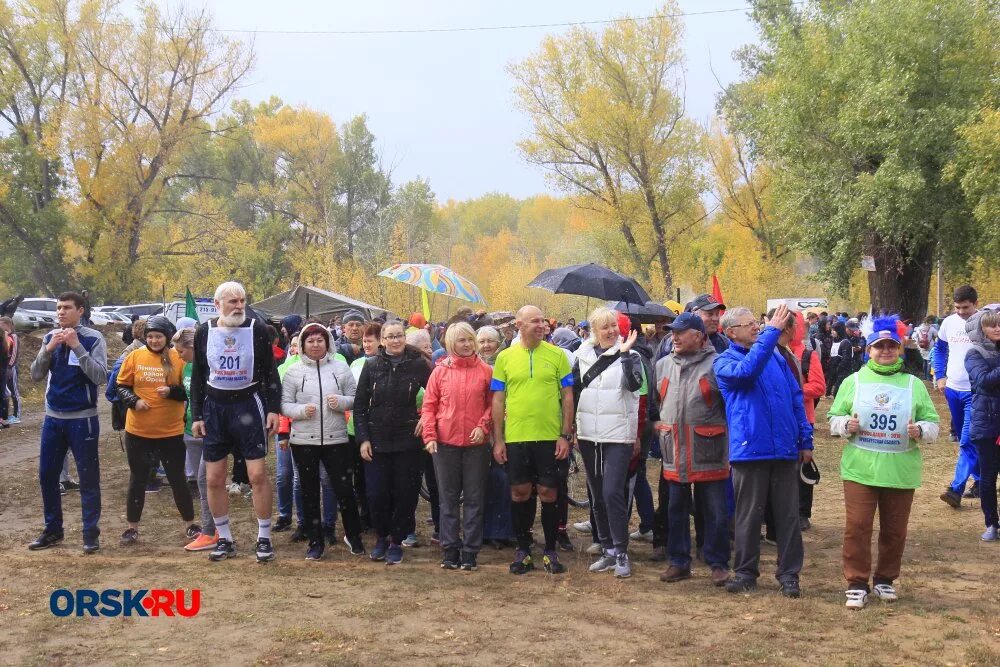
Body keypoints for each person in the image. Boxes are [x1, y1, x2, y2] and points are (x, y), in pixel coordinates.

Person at [828, 315, 940, 608]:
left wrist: (921, 431)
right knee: (858, 526)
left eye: (892, 346)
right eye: (880, 346)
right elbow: (833, 418)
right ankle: (856, 582)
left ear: (900, 349)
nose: (886, 351)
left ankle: (885, 580)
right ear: (869, 349)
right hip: (860, 469)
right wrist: (844, 425)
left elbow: (933, 423)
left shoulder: (914, 384)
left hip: (900, 470)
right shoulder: (853, 381)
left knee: (894, 529)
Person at [715, 304, 813, 597]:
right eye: (748, 325)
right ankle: (745, 573)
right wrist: (771, 334)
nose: (756, 327)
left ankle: (789, 575)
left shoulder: (776, 357)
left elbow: (796, 397)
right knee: (748, 516)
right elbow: (746, 373)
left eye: (756, 323)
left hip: (783, 448)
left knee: (788, 517)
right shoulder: (724, 362)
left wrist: (805, 439)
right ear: (731, 332)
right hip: (750, 450)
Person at [190, 282, 281, 563]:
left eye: (242, 301)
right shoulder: (204, 331)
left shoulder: (257, 330)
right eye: (232, 302)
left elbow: (270, 373)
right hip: (215, 408)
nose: (239, 306)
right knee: (214, 478)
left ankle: (264, 537)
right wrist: (196, 415)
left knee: (256, 476)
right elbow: (197, 377)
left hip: (248, 405)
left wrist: (273, 409)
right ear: (218, 305)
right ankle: (224, 538)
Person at [491, 305, 574, 575]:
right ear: (519, 325)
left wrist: (565, 434)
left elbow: (568, 396)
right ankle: (523, 549)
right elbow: (498, 399)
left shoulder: (558, 355)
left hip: (549, 437)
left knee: (549, 493)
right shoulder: (504, 358)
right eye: (535, 321)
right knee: (520, 492)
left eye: (543, 321)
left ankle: (550, 550)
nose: (542, 325)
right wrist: (498, 439)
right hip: (516, 438)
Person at [28, 292, 108, 553]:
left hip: (82, 419)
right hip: (53, 418)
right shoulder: (50, 337)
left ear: (80, 311)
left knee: (88, 478)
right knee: (47, 476)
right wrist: (48, 350)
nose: (60, 312)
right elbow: (36, 374)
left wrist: (77, 346)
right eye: (58, 308)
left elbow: (99, 377)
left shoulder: (93, 338)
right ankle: (53, 530)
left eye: (66, 308)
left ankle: (90, 534)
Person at [655, 312, 731, 586]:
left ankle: (718, 562)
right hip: (673, 450)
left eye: (680, 332)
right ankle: (679, 562)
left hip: (709, 449)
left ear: (698, 336)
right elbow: (656, 403)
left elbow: (729, 407)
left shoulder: (718, 364)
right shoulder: (662, 365)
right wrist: (657, 426)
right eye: (672, 331)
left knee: (714, 511)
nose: (673, 336)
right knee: (675, 509)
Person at [281, 322, 363, 560]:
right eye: (310, 341)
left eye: (320, 340)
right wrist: (299, 411)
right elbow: (285, 404)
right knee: (309, 491)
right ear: (302, 345)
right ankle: (315, 542)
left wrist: (341, 401)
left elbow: (356, 397)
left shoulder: (340, 367)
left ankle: (353, 535)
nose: (315, 345)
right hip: (303, 441)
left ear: (328, 342)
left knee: (344, 489)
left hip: (336, 438)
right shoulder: (293, 371)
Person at [571, 307, 643, 578]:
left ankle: (622, 551)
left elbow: (634, 385)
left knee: (613, 491)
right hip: (589, 434)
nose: (612, 331)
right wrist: (573, 427)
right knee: (597, 492)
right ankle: (607, 549)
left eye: (614, 326)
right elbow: (576, 391)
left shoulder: (633, 355)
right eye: (605, 327)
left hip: (618, 434)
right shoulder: (580, 356)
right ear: (594, 331)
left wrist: (623, 354)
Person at [354, 320, 433, 565]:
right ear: (383, 341)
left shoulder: (419, 366)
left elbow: (435, 396)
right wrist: (363, 439)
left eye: (399, 336)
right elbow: (359, 407)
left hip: (408, 440)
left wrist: (426, 419)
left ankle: (397, 540)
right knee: (377, 494)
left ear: (405, 338)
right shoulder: (372, 366)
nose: (396, 340)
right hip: (377, 440)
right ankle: (382, 537)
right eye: (390, 337)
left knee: (405, 494)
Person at [115, 316, 197, 545]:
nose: (154, 340)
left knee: (177, 479)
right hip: (138, 431)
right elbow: (121, 386)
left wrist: (171, 392)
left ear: (167, 337)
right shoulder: (135, 356)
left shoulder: (177, 357)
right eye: (150, 336)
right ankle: (132, 528)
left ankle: (190, 525)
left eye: (158, 336)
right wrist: (133, 401)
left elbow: (189, 391)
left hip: (170, 431)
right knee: (138, 479)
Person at [422, 322, 494, 571]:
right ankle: (450, 547)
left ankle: (470, 550)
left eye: (469, 340)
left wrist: (483, 426)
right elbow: (429, 407)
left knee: (475, 498)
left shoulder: (485, 371)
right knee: (448, 498)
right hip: (445, 443)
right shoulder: (439, 372)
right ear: (451, 343)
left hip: (476, 445)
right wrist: (430, 436)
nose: (467, 344)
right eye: (461, 340)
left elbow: (493, 405)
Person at [935, 285, 980, 506]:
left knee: (967, 440)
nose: (961, 311)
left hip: (977, 392)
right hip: (952, 390)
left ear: (975, 304)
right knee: (972, 440)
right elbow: (940, 349)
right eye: (957, 307)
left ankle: (956, 488)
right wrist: (940, 375)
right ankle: (981, 480)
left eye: (966, 307)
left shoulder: (986, 322)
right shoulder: (948, 323)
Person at [176, 327, 218, 552]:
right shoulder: (186, 367)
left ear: (193, 347)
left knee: (206, 481)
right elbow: (187, 397)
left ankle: (212, 531)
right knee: (203, 483)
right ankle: (213, 529)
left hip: (212, 432)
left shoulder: (210, 367)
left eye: (181, 351)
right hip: (191, 431)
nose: (178, 355)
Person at [477, 326, 514, 548]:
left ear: (498, 342)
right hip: (479, 431)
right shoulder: (474, 366)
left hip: (503, 429)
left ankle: (502, 530)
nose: (486, 345)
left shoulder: (505, 363)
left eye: (490, 341)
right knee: (482, 483)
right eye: (481, 341)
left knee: (502, 481)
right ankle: (483, 530)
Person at [965, 308, 1000, 542]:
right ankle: (992, 524)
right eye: (991, 325)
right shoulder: (974, 353)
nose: (997, 328)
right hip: (988, 424)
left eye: (999, 324)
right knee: (988, 478)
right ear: (981, 329)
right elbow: (984, 382)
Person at [657, 294, 729, 360]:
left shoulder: (725, 343)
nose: (715, 318)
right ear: (695, 314)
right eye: (710, 314)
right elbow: (658, 371)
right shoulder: (669, 342)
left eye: (717, 314)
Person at [911, 316, 938, 380]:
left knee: (924, 361)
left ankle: (925, 376)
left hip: (921, 347)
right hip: (930, 347)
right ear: (930, 321)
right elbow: (937, 335)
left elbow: (913, 336)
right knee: (929, 361)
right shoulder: (931, 328)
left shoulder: (919, 328)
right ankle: (928, 377)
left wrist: (918, 342)